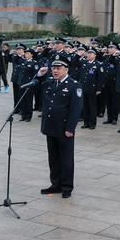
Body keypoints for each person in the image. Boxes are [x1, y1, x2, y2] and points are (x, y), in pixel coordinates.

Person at [34, 54, 84, 199]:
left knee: (66, 158)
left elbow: (76, 109)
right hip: (50, 126)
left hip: (64, 129)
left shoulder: (74, 85)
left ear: (66, 69)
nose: (55, 71)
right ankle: (55, 184)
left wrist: (70, 128)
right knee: (53, 158)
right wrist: (39, 74)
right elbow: (34, 86)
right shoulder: (50, 82)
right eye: (53, 68)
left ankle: (67, 186)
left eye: (58, 68)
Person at [78, 48, 104, 129]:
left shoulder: (98, 65)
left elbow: (100, 78)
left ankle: (92, 123)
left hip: (92, 89)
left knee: (92, 107)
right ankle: (86, 123)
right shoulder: (84, 63)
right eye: (88, 53)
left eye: (91, 53)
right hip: (84, 87)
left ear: (95, 55)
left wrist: (99, 89)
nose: (88, 55)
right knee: (85, 106)